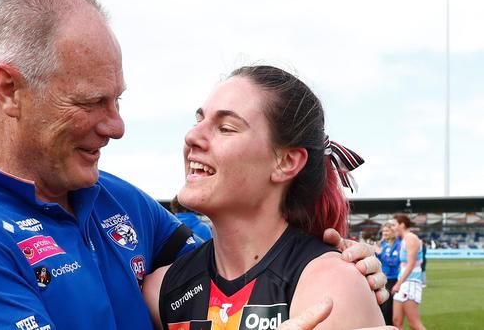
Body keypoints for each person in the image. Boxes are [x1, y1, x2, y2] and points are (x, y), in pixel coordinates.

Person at [0, 0, 384, 329]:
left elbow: (230, 279)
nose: (117, 127)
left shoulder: (117, 201)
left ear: (287, 161)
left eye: (118, 100)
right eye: (91, 102)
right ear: (9, 90)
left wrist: (347, 274)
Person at [143, 65, 390, 329]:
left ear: (286, 162)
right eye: (198, 121)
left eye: (225, 128)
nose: (192, 136)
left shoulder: (331, 286)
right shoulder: (161, 291)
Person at [391, 214, 426, 330]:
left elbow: (411, 264)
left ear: (402, 225)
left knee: (414, 324)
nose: (393, 227)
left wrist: (398, 283)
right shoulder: (404, 240)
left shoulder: (411, 238)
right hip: (404, 283)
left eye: (394, 225)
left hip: (410, 282)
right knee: (397, 321)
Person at [375, 221, 401, 325]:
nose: (385, 233)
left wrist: (380, 253)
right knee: (381, 309)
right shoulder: (383, 245)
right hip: (382, 280)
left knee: (388, 310)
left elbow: (394, 262)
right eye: (383, 231)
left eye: (387, 231)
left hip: (392, 280)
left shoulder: (399, 245)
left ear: (393, 232)